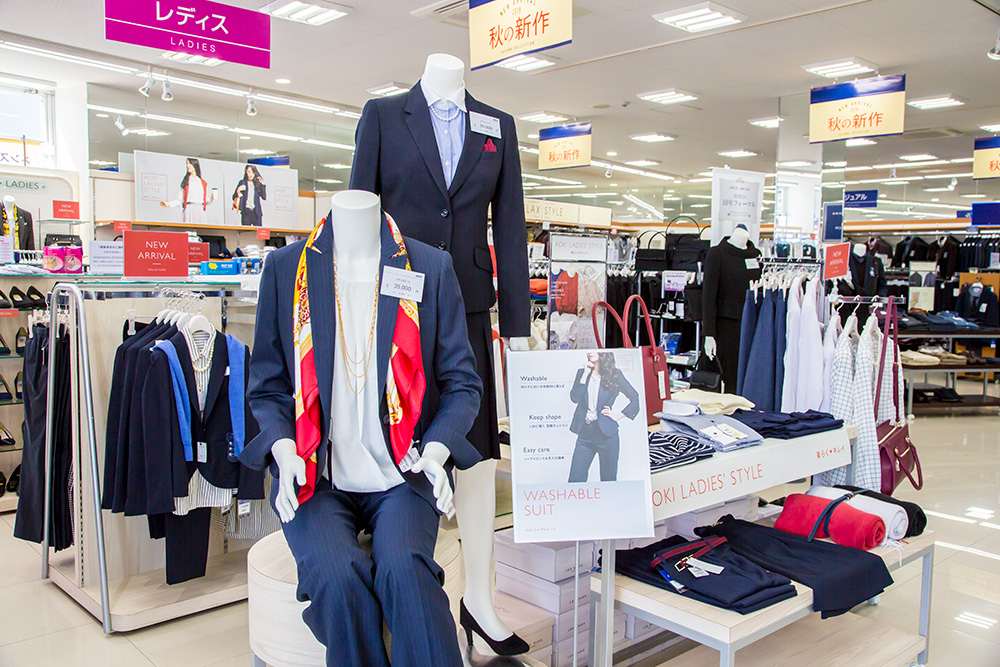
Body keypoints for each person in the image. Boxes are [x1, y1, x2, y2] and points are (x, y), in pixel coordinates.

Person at [567, 351, 639, 483]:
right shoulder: (582, 373)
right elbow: (574, 398)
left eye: (594, 350)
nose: (590, 352)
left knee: (608, 481)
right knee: (575, 481)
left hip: (607, 436)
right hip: (585, 435)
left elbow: (635, 398)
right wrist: (585, 375)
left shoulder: (614, 375)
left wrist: (617, 416)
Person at [160, 157, 217, 224]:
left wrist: (211, 198)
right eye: (187, 163)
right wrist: (168, 204)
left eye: (190, 163)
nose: (187, 165)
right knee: (188, 230)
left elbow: (204, 201)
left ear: (195, 165)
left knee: (201, 229)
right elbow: (180, 200)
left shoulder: (202, 182)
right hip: (189, 211)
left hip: (200, 211)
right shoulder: (186, 181)